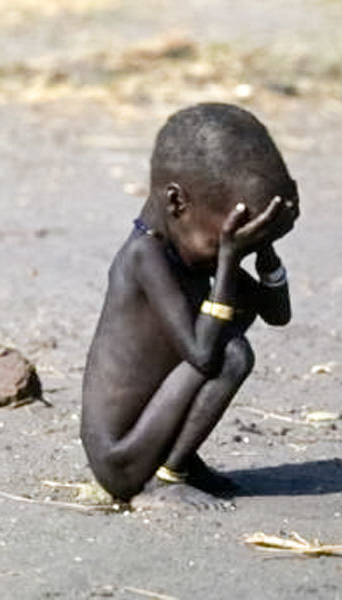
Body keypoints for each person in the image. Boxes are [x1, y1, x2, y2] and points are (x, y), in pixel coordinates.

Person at [81, 103, 299, 509]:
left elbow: (277, 314)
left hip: (147, 437)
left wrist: (264, 250)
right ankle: (166, 478)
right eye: (225, 240)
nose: (228, 251)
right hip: (121, 458)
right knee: (230, 352)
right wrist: (231, 258)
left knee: (227, 335)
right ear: (177, 202)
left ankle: (178, 461)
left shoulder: (187, 253)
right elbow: (201, 354)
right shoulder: (145, 257)